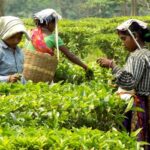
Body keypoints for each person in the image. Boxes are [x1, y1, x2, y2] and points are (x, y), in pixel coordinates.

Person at [97, 19, 150, 148]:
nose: (122, 43)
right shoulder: (147, 53)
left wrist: (112, 65)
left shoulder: (137, 56)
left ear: (135, 37)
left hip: (142, 104)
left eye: (123, 39)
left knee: (139, 140)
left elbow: (130, 82)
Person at [26, 8, 93, 80]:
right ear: (49, 23)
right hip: (42, 72)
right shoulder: (53, 38)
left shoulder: (31, 32)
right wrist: (85, 66)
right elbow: (69, 55)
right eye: (54, 24)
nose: (55, 26)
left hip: (26, 70)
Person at [0, 16, 30, 83]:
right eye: (12, 37)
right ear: (4, 34)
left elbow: (20, 76)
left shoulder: (19, 51)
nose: (16, 41)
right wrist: (7, 79)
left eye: (19, 38)